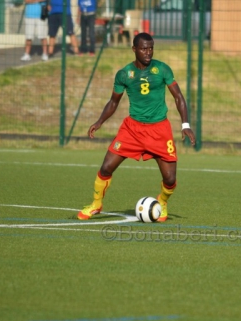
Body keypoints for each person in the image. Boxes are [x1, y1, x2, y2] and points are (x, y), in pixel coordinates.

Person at [77, 32, 196, 222]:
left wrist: (185, 125)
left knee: (170, 179)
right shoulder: (124, 74)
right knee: (106, 167)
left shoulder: (162, 69)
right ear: (134, 49)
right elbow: (113, 102)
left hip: (159, 130)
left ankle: (162, 202)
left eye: (151, 48)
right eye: (143, 48)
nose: (148, 52)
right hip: (132, 130)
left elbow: (178, 97)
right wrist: (99, 122)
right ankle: (96, 204)